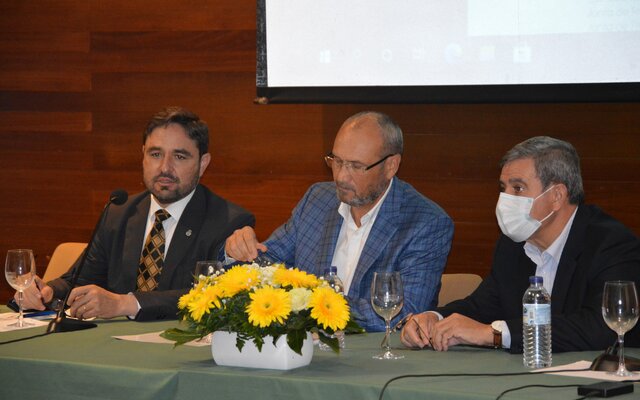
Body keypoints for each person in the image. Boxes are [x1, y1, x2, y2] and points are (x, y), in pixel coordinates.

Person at [401, 136, 640, 353]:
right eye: (503, 188)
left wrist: (495, 334)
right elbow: (481, 307)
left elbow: (600, 328)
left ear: (557, 196)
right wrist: (434, 318)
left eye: (517, 188)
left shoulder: (611, 244)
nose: (505, 199)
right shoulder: (512, 245)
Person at [17, 107, 255, 321]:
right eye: (155, 154)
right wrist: (46, 292)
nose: (165, 168)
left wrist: (125, 304)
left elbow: (214, 295)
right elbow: (81, 280)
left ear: (203, 163)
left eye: (179, 156)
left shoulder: (229, 222)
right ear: (143, 155)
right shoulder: (118, 212)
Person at [225, 111, 453, 331]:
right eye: (337, 161)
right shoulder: (318, 199)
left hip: (375, 354)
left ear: (391, 166)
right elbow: (268, 262)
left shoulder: (426, 223)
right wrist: (237, 251)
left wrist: (311, 304)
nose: (341, 176)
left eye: (356, 166)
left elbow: (404, 312)